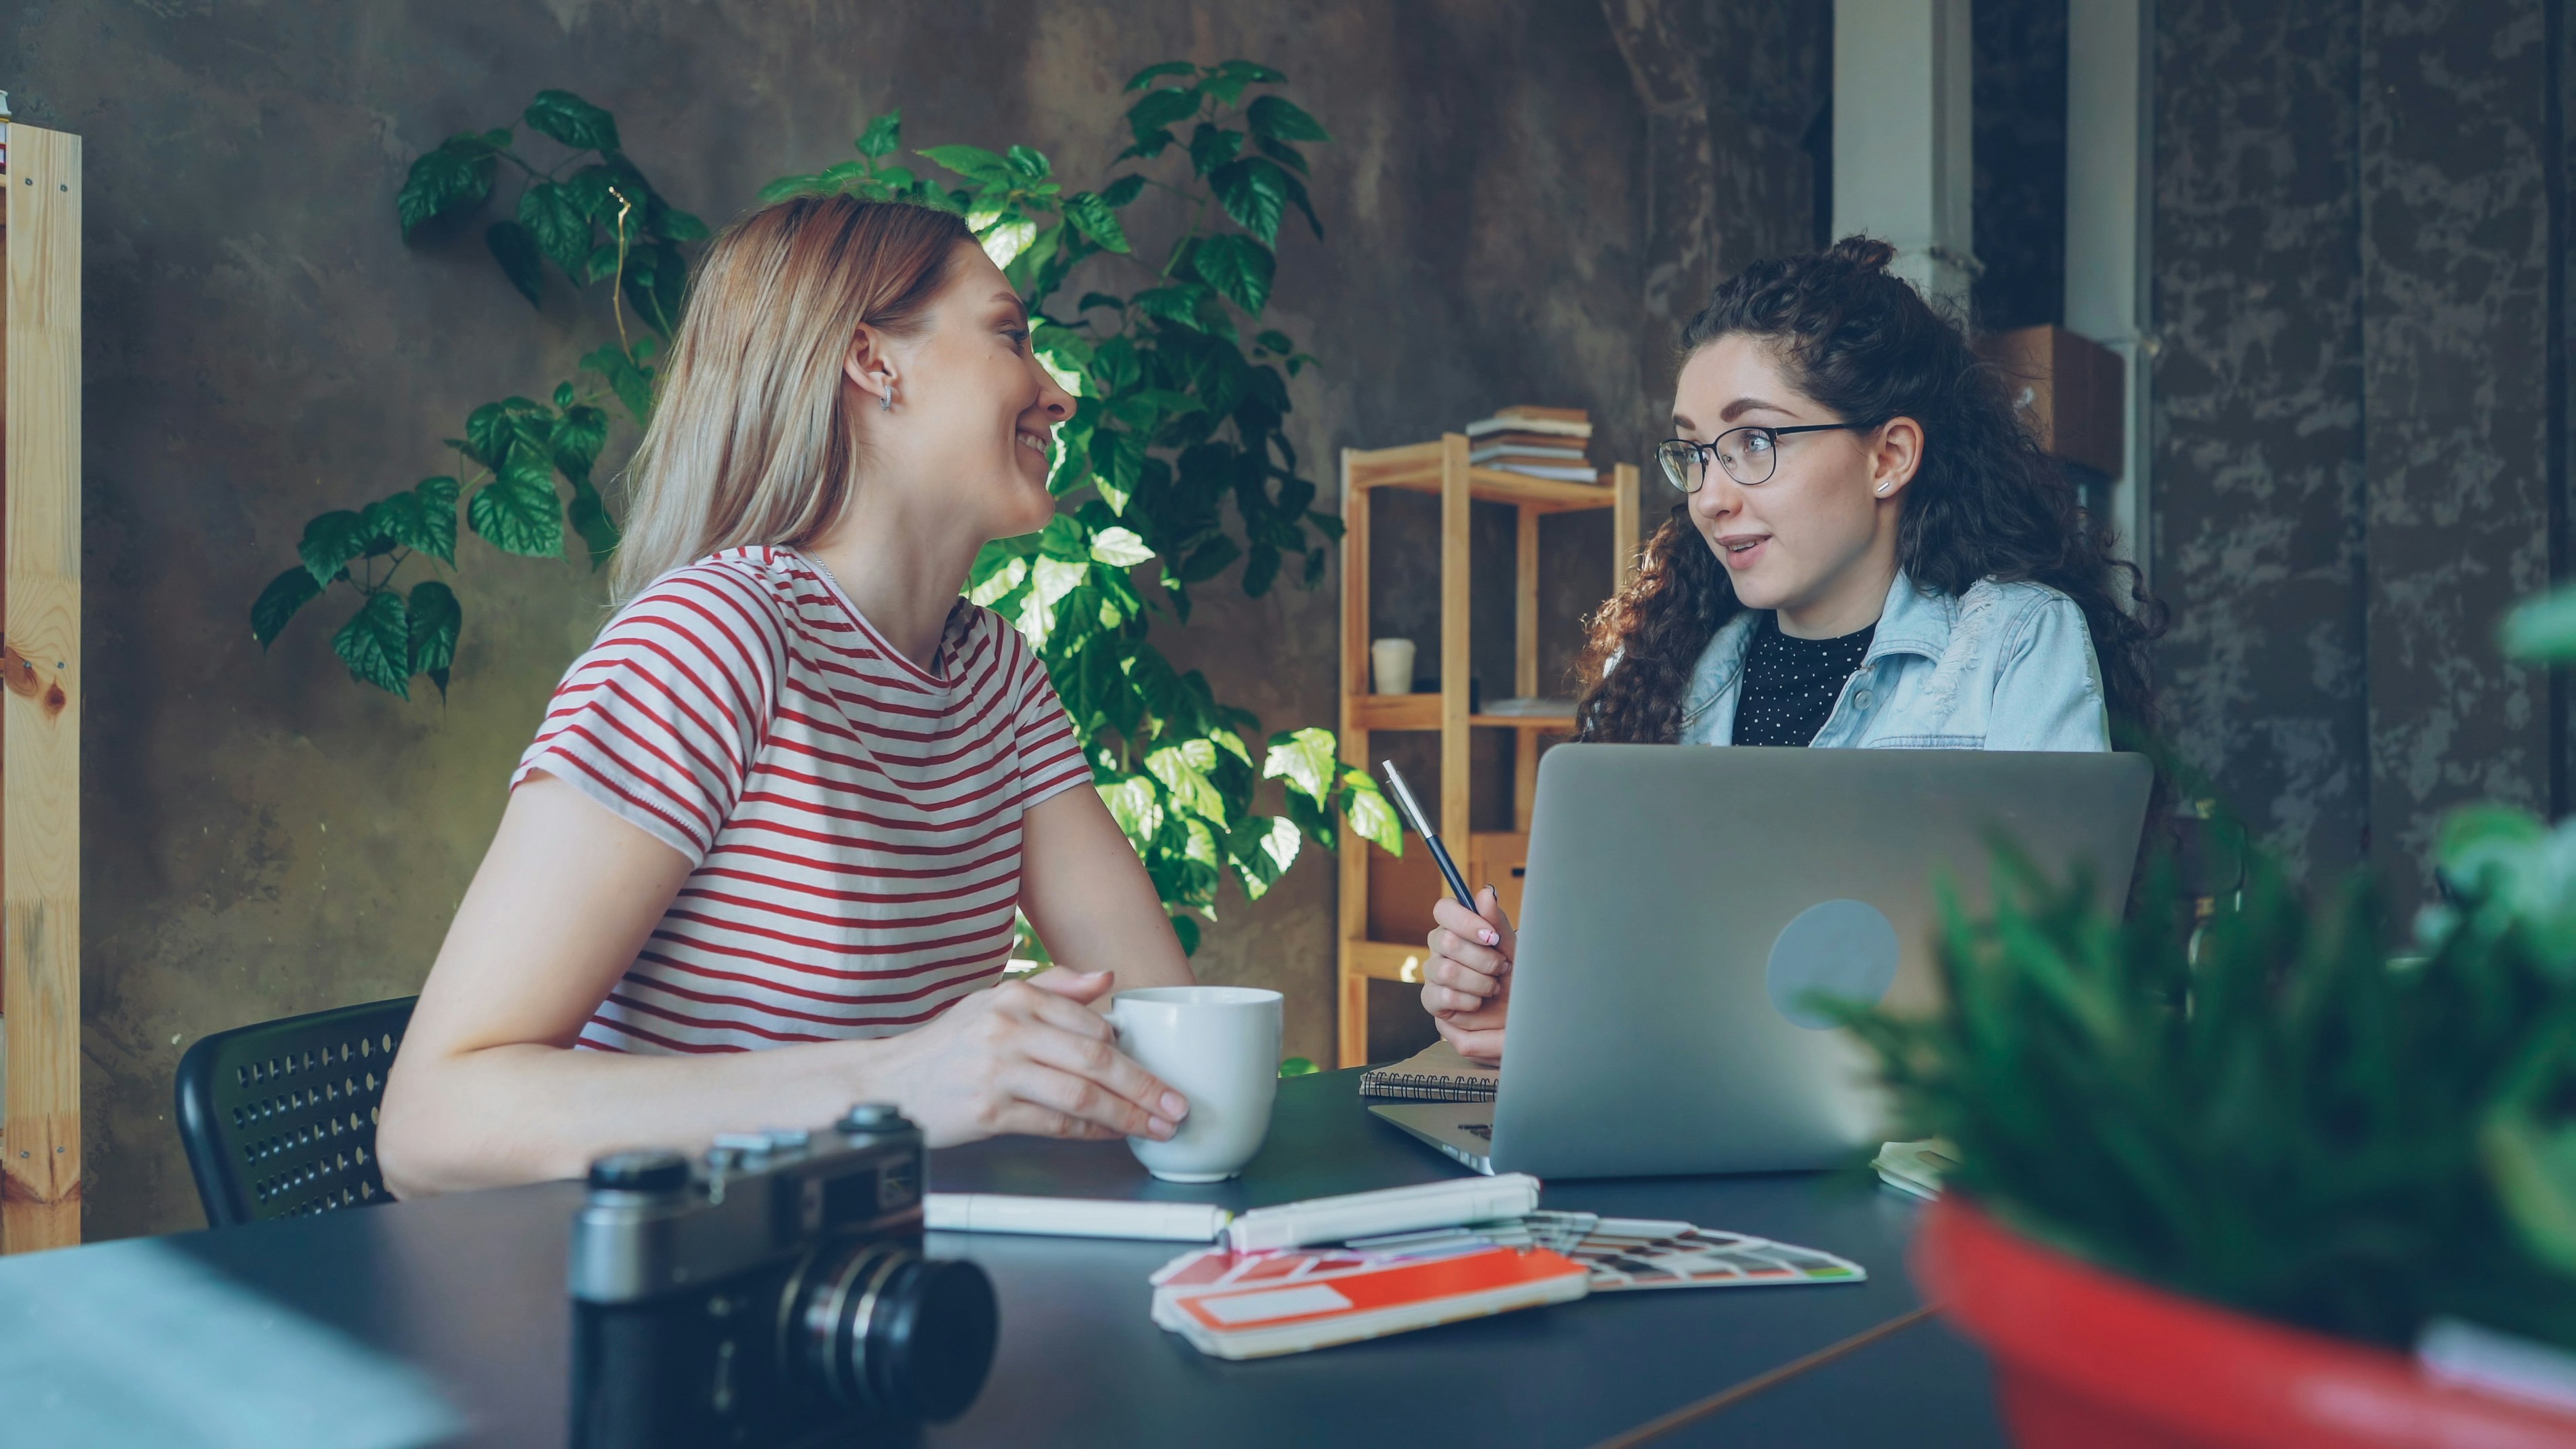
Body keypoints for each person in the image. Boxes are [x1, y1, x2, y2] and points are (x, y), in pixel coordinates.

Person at [379, 197, 1199, 1198]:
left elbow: (1172, 1038)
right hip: (661, 1299)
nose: (1055, 392)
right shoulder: (711, 640)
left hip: (874, 1283)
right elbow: (432, 1122)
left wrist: (1447, 1040)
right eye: (1012, 335)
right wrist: (890, 1084)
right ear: (873, 362)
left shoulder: (998, 679)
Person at [1418, 236, 2162, 1064]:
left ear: (1888, 456)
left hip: (1917, 1160)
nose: (1710, 496)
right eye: (1695, 453)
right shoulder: (1669, 672)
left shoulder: (2016, 641)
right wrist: (1539, 1001)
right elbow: (1639, 985)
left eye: (1754, 443)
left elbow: (2054, 989)